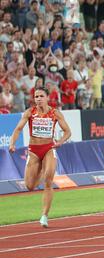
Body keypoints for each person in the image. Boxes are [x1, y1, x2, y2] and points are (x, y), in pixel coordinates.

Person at [8, 87, 72, 227]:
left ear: (47, 97)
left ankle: (44, 216)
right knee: (30, 186)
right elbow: (18, 128)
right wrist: (12, 143)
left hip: (49, 148)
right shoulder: (30, 112)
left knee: (48, 180)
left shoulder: (55, 113)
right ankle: (42, 169)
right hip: (34, 151)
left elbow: (67, 131)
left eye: (41, 96)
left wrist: (60, 142)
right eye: (36, 96)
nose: (38, 99)